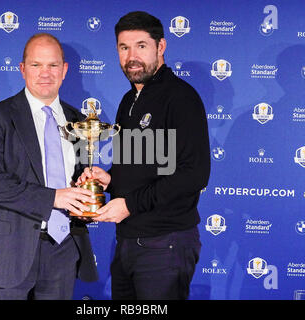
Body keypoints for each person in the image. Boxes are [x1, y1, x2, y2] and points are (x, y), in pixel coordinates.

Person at [77, 11, 210, 300]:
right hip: (128, 241)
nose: (132, 56)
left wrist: (130, 204)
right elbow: (139, 168)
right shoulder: (129, 100)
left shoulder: (181, 97)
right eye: (124, 48)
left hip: (165, 243)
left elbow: (194, 174)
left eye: (141, 46)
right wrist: (109, 180)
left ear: (160, 47)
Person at [0, 33, 98, 300]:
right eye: (36, 65)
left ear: (64, 70)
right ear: (22, 69)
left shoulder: (79, 120)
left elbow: (79, 181)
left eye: (53, 65)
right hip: (7, 254)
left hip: (63, 251)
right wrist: (53, 197)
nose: (45, 74)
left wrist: (87, 190)